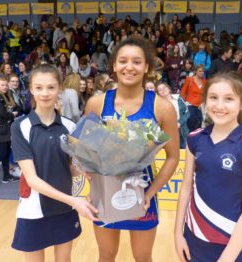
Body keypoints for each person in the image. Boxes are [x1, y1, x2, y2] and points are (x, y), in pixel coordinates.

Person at [84, 37, 179, 262]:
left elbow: (173, 157)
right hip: (105, 195)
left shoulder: (162, 108)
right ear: (114, 66)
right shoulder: (96, 104)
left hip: (141, 193)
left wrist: (150, 192)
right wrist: (94, 185)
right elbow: (87, 153)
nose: (129, 67)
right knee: (106, 255)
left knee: (143, 256)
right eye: (123, 61)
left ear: (146, 67)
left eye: (137, 62)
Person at [175, 71, 242, 262]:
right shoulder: (195, 138)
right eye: (213, 98)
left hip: (229, 248)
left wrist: (227, 258)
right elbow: (185, 189)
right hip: (192, 241)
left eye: (229, 99)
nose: (219, 106)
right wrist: (177, 234)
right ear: (205, 101)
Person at [11, 64, 98, 260]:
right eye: (39, 87)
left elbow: (67, 166)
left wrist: (85, 171)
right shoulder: (20, 127)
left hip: (63, 209)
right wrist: (74, 201)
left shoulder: (69, 126)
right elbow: (32, 179)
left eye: (51, 87)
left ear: (60, 89)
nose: (45, 93)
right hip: (33, 209)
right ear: (31, 89)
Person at [0, 76, 20, 187]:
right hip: (0, 129)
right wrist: (12, 115)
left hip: (5, 129)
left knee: (6, 153)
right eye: (2, 85)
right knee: (1, 153)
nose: (5, 87)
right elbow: (2, 114)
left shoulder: (3, 96)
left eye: (6, 85)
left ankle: (6, 176)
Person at [180, 64, 206, 132]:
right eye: (200, 71)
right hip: (190, 105)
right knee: (191, 124)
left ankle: (196, 140)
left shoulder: (205, 82)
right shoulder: (189, 79)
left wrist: (202, 103)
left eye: (203, 71)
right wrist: (183, 105)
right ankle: (189, 139)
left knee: (199, 124)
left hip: (200, 106)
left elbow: (205, 94)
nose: (202, 73)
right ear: (196, 71)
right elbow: (183, 93)